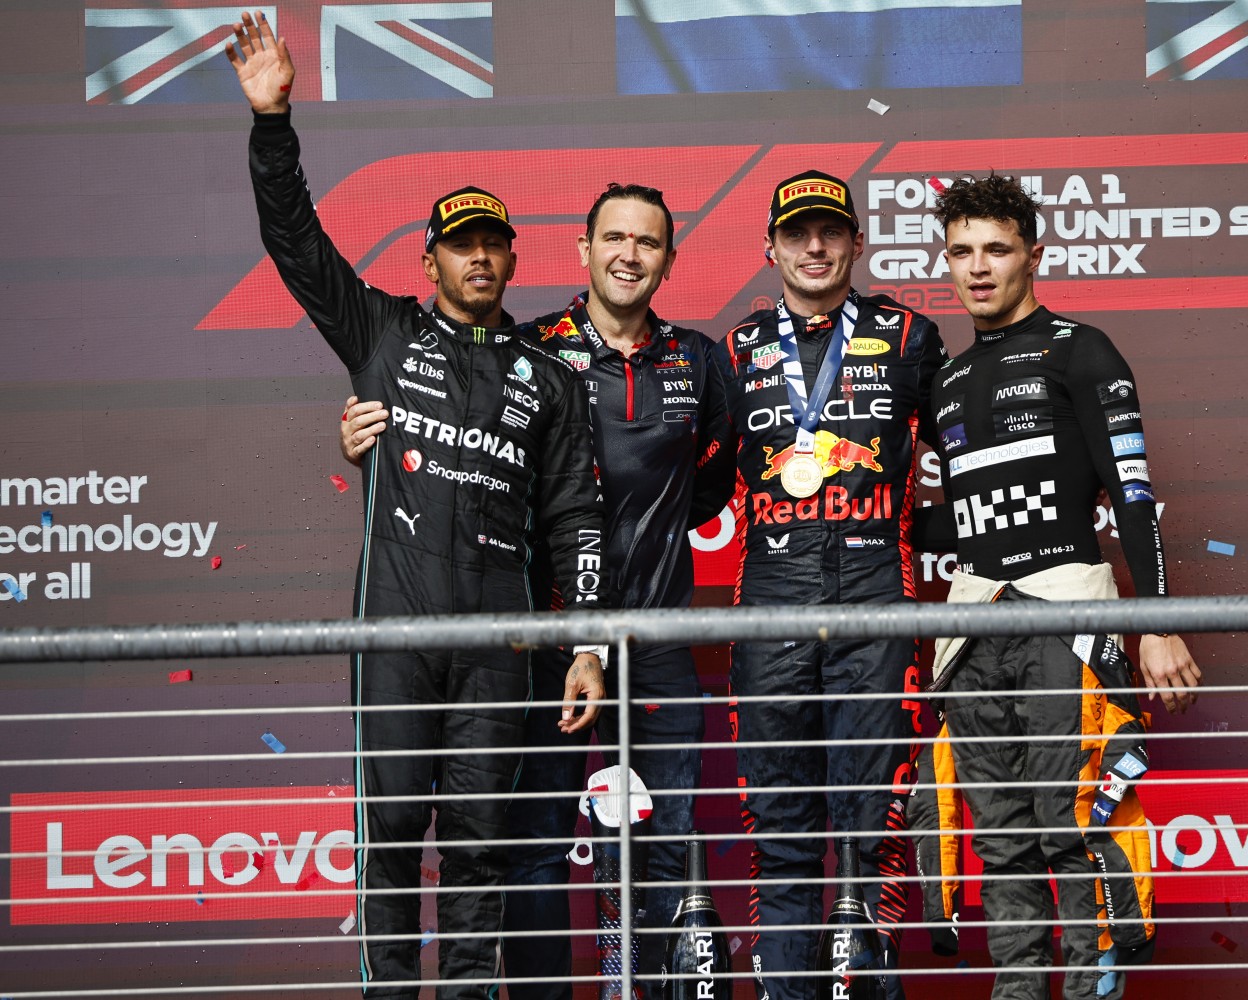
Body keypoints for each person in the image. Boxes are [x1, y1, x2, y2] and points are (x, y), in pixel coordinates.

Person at [225, 13, 607, 999]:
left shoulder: (550, 378)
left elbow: (576, 521)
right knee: (392, 839)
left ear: (514, 261)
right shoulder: (384, 335)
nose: (479, 259)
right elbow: (297, 245)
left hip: (500, 644)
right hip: (396, 633)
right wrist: (274, 124)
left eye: (493, 246)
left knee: (479, 852)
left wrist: (588, 646)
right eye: (460, 246)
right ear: (430, 260)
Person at [341, 183, 735, 1000]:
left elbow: (710, 489)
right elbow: (466, 439)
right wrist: (368, 439)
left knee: (662, 845)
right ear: (581, 251)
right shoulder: (531, 351)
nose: (631, 254)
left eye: (650, 242)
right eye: (614, 238)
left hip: (655, 639)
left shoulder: (699, 360)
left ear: (669, 259)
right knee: (528, 844)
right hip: (541, 642)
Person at [914, 173, 1203, 1000]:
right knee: (999, 843)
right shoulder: (949, 381)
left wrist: (1155, 623)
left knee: (1075, 828)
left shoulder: (1083, 349)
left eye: (996, 249)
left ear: (1033, 255)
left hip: (1066, 622)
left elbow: (1134, 495)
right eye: (962, 251)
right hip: (974, 634)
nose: (978, 267)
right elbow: (969, 520)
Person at [707, 170, 948, 1000]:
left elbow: (970, 447)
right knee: (778, 826)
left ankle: (867, 987)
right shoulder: (733, 350)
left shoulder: (912, 335)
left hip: (877, 594)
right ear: (770, 246)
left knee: (868, 823)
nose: (815, 247)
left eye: (831, 232)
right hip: (769, 601)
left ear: (855, 243)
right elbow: (682, 478)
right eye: (798, 232)